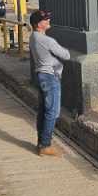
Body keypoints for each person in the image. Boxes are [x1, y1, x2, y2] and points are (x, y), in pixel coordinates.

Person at [29, 10, 70, 157]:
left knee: (43, 111)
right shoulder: (47, 40)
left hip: (41, 76)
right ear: (38, 24)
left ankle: (41, 142)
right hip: (50, 78)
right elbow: (66, 54)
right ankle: (45, 145)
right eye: (45, 19)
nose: (48, 21)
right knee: (52, 112)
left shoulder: (33, 37)